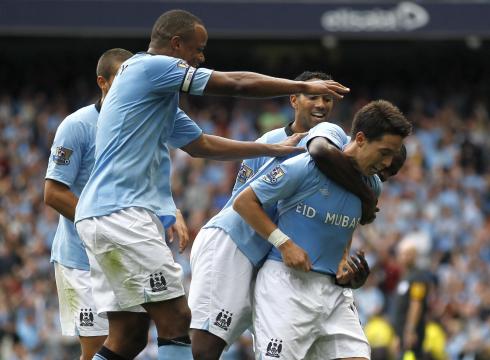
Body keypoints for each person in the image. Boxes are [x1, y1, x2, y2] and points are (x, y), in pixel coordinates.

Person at [74, 10, 350, 360]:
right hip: (123, 214)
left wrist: (269, 148)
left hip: (98, 216)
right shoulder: (152, 67)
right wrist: (301, 85)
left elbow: (200, 144)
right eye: (198, 48)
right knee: (176, 318)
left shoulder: (151, 92)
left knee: (128, 336)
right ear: (176, 44)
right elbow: (235, 83)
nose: (201, 57)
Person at [189, 71, 376, 360]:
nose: (321, 104)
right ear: (294, 99)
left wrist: (341, 258)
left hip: (271, 260)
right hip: (236, 243)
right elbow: (241, 200)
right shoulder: (273, 140)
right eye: (312, 96)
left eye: (327, 99)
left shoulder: (338, 150)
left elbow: (339, 211)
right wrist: (367, 198)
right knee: (206, 345)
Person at [234, 100, 412, 360]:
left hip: (334, 294)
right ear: (360, 139)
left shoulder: (372, 186)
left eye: (391, 156)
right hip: (286, 286)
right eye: (384, 152)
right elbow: (244, 202)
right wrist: (284, 243)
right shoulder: (305, 167)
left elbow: (346, 225)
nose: (386, 164)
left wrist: (343, 263)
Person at [44, 48, 134, 360]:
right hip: (78, 259)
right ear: (103, 82)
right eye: (123, 78)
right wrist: (101, 226)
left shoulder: (134, 127)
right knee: (96, 347)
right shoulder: (77, 125)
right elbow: (53, 193)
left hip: (119, 255)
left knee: (126, 343)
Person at [392, 238, 433, 359]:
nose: (405, 257)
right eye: (403, 254)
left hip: (412, 332)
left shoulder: (418, 276)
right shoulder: (405, 276)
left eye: (408, 254)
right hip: (402, 333)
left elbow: (416, 303)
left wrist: (410, 330)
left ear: (415, 256)